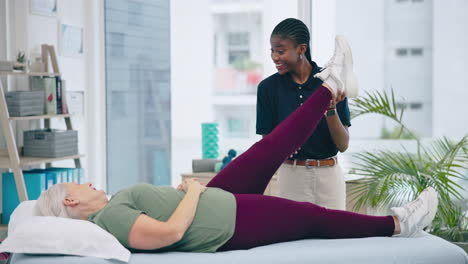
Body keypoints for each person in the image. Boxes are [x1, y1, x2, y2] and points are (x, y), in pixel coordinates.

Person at [35, 42, 437, 253]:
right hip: (226, 221)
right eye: (79, 188)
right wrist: (191, 191)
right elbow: (171, 233)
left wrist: (186, 195)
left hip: (217, 199)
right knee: (311, 217)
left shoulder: (113, 209)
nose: (86, 184)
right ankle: (399, 225)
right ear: (71, 204)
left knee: (273, 145)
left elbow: (166, 219)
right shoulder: (110, 221)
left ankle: (331, 84)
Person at [256, 18, 359, 209]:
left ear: (301, 49)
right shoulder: (268, 88)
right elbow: (268, 144)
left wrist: (330, 109)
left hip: (329, 177)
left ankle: (338, 65)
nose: (274, 57)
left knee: (334, 236)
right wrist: (282, 145)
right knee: (292, 236)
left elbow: (343, 144)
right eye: (272, 51)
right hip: (291, 177)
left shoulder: (330, 83)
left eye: (280, 51)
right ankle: (339, 62)